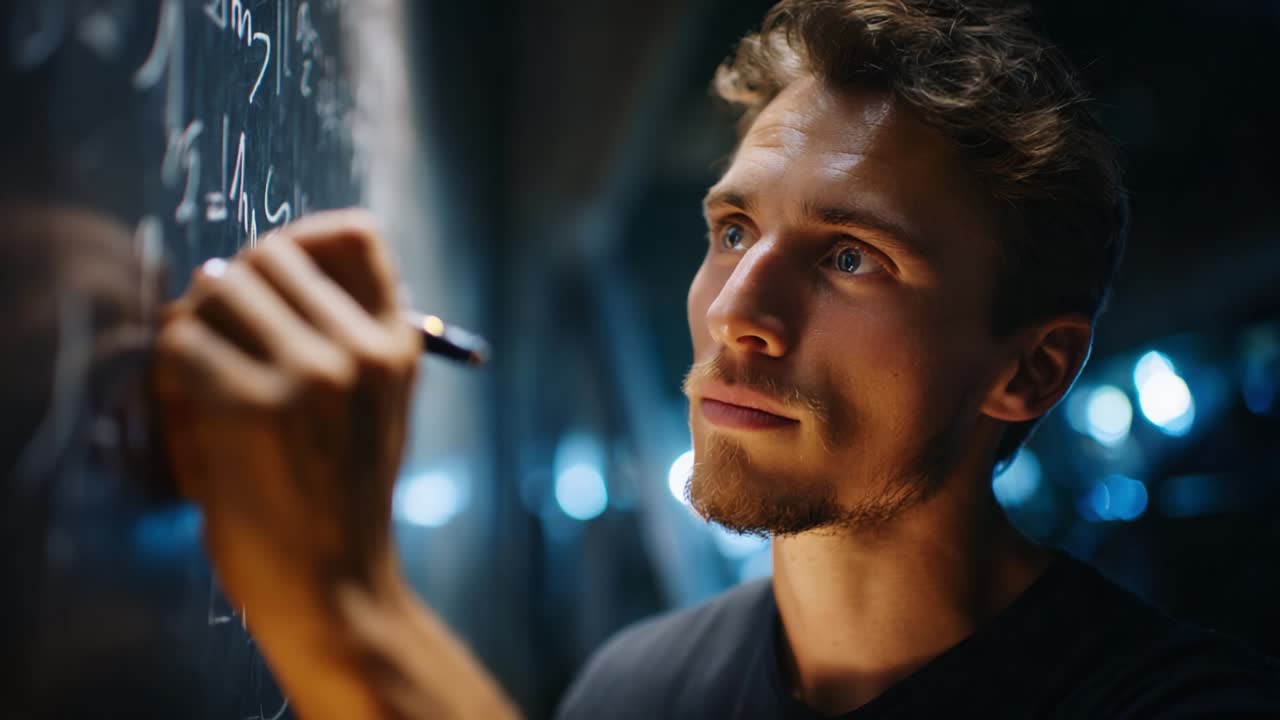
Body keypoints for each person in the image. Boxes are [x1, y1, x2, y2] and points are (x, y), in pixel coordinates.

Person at [153, 1, 1280, 718]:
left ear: (1027, 373)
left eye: (849, 256)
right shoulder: (631, 689)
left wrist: (350, 610)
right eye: (733, 231)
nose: (735, 311)